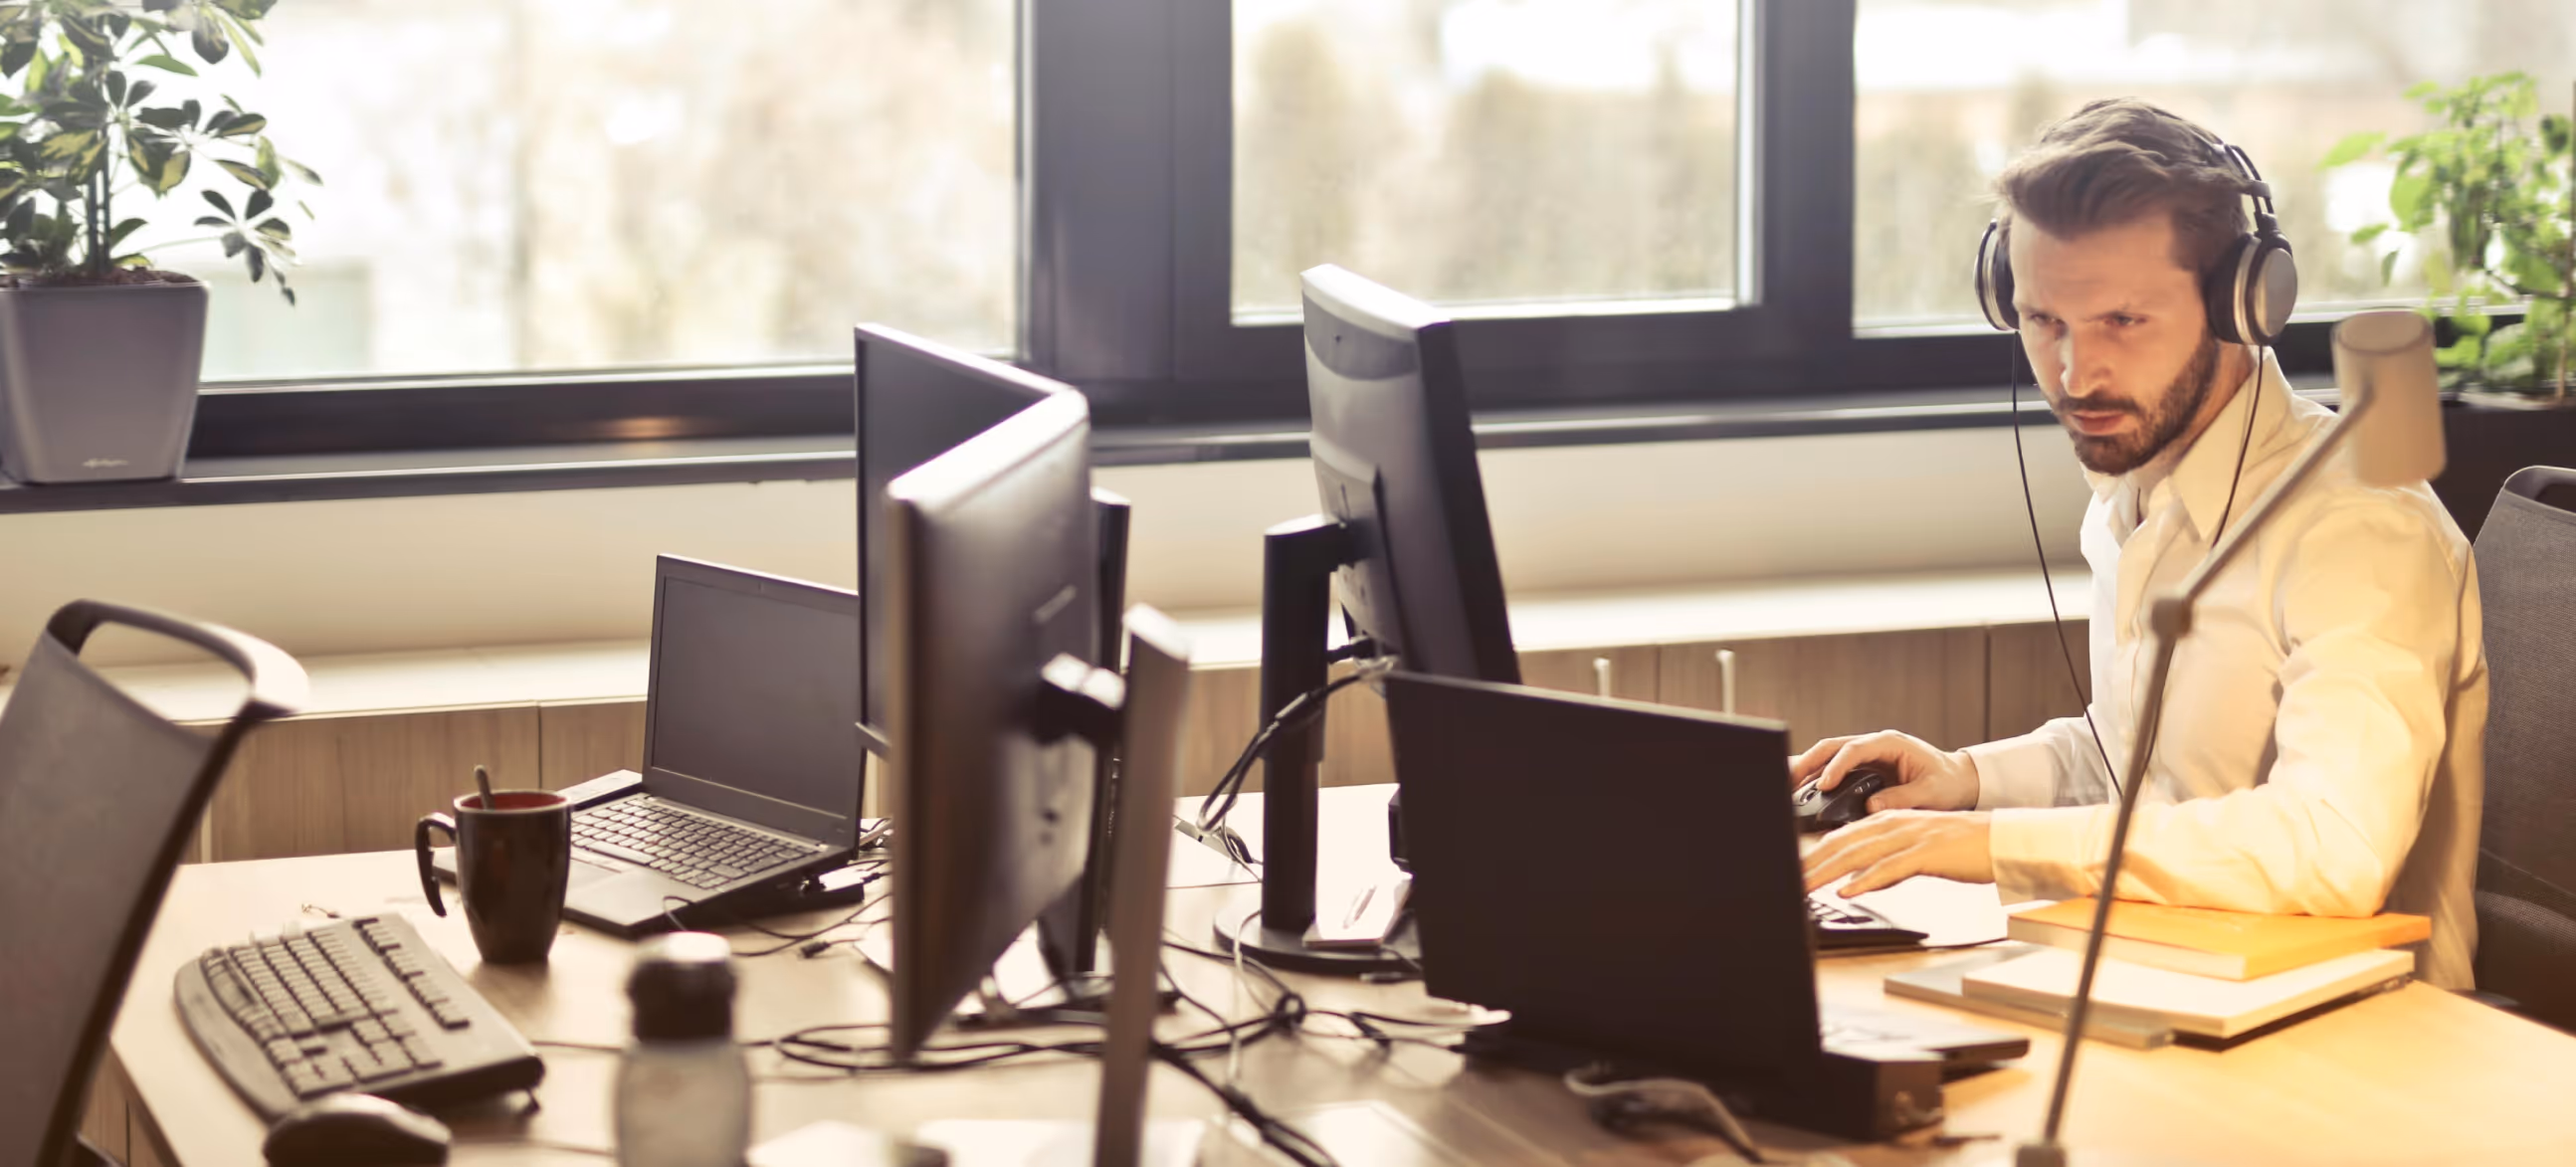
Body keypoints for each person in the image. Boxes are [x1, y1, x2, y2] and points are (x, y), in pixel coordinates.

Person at [1794, 98, 2486, 989]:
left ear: (2242, 303)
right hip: (2166, 975)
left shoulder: (2361, 526)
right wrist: (1966, 781)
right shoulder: (2136, 491)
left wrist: (1995, 844)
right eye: (2044, 323)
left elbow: (2333, 847)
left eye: (2122, 322)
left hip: (2360, 1035)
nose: (2075, 376)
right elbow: (2141, 766)